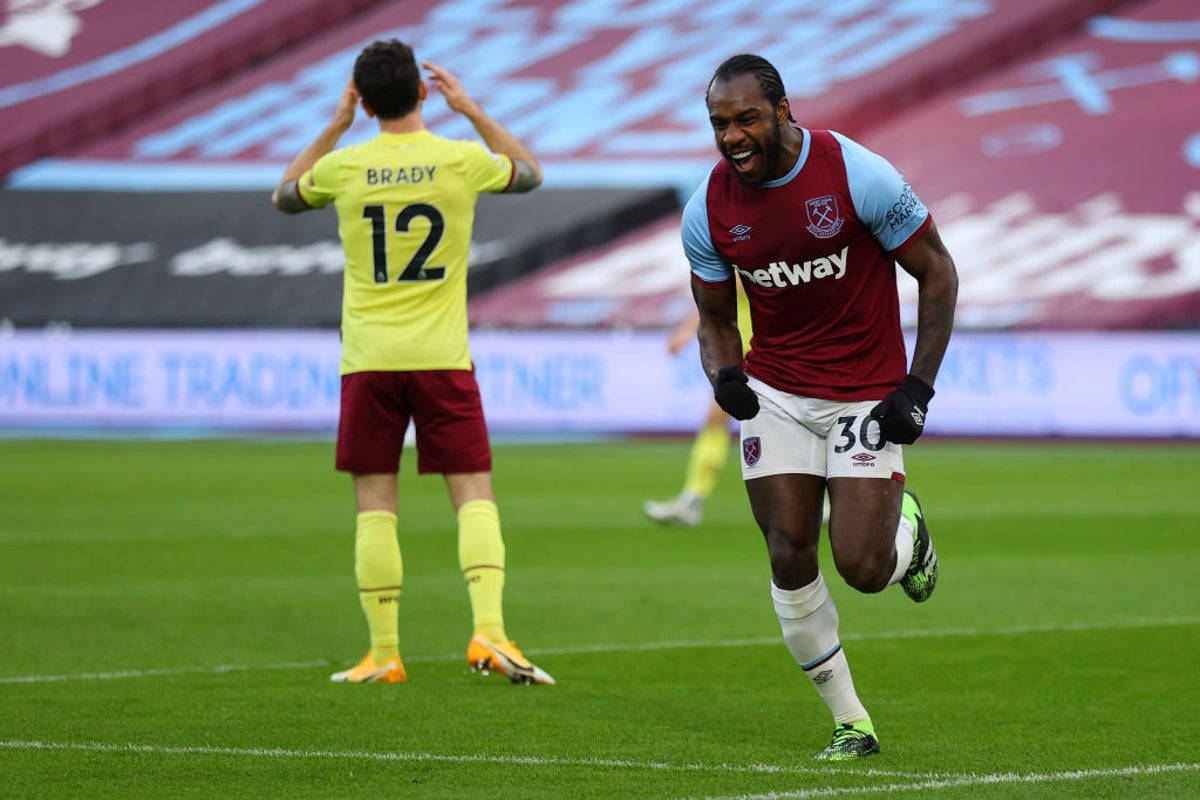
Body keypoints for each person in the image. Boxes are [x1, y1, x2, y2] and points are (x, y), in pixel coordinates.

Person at [685, 54, 958, 760]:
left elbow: (937, 272)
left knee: (863, 568)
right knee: (788, 551)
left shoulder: (854, 173)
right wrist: (724, 377)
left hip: (865, 391)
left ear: (782, 111)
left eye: (746, 118)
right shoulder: (707, 208)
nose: (732, 136)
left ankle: (911, 537)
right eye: (719, 123)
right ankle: (852, 723)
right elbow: (714, 318)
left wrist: (918, 391)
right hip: (776, 392)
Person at [270, 39, 553, 686]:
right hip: (442, 357)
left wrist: (335, 126)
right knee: (473, 493)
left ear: (363, 102)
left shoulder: (344, 166)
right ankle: (490, 633)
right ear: (426, 93)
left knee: (375, 501)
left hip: (368, 358)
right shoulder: (459, 159)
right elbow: (530, 171)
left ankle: (383, 653)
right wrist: (473, 111)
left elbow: (283, 195)